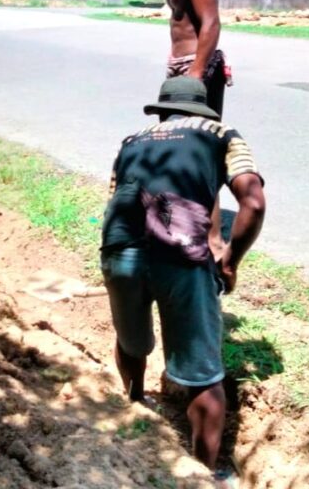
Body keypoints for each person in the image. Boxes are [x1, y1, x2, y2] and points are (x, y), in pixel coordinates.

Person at [100, 76, 266, 478]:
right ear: (202, 109)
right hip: (182, 258)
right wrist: (229, 262)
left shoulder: (131, 141)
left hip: (119, 253)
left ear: (162, 110)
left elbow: (115, 198)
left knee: (130, 340)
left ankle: (136, 401)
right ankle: (205, 475)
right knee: (203, 375)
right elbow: (253, 202)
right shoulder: (220, 133)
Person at [124, 0, 232, 259]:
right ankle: (180, 224)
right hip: (183, 68)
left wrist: (196, 77)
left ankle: (213, 241)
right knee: (174, 149)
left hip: (195, 72)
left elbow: (211, 23)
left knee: (200, 150)